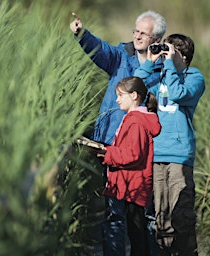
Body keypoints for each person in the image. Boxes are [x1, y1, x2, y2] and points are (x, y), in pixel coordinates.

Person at [70, 11, 166, 256]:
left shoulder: (162, 70)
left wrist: (153, 64)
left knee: (144, 215)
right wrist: (82, 34)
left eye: (143, 33)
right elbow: (100, 50)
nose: (136, 36)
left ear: (156, 38)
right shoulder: (121, 56)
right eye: (135, 31)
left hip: (143, 151)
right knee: (114, 211)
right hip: (111, 144)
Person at [134, 34, 205, 255]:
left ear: (182, 55)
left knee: (181, 215)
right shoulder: (160, 78)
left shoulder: (194, 77)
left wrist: (170, 66)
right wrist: (150, 62)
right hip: (157, 154)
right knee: (161, 217)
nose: (165, 55)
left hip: (179, 155)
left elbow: (177, 93)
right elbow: (134, 87)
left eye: (169, 51)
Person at [97, 76, 161, 256]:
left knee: (137, 234)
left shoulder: (136, 121)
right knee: (136, 231)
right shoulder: (134, 119)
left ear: (134, 95)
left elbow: (133, 153)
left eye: (120, 95)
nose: (117, 99)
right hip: (133, 183)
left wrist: (107, 154)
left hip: (133, 185)